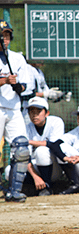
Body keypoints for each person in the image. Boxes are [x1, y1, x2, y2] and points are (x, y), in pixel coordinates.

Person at [0, 19, 31, 202]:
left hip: (13, 108)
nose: (4, 40)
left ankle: (14, 191)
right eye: (1, 36)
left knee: (21, 149)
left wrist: (17, 85)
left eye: (7, 36)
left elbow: (23, 87)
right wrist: (4, 81)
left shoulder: (18, 58)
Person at [25, 96, 65, 196]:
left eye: (38, 111)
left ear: (47, 113)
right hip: (36, 167)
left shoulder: (56, 122)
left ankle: (47, 186)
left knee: (41, 151)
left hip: (54, 168)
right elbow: (24, 156)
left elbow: (53, 145)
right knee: (9, 172)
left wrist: (30, 142)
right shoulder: (26, 128)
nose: (34, 115)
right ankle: (34, 187)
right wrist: (35, 177)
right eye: (31, 111)